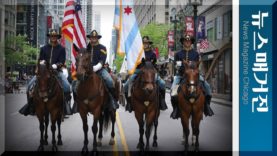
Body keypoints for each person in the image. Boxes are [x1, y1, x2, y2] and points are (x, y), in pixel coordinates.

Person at [19, 29, 72, 116]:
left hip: (56, 72)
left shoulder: (61, 49)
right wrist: (40, 65)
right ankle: (30, 106)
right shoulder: (43, 48)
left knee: (67, 87)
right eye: (52, 36)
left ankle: (64, 107)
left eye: (55, 36)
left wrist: (55, 66)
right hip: (43, 72)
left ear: (57, 37)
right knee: (29, 86)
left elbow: (62, 61)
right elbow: (40, 59)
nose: (53, 38)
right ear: (49, 37)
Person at [170, 34, 214, 119]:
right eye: (185, 41)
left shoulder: (195, 54)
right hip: (181, 75)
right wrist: (181, 66)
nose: (187, 42)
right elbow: (176, 65)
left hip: (194, 76)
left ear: (191, 42)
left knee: (207, 87)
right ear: (183, 42)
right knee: (173, 91)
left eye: (189, 41)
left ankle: (207, 107)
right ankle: (175, 110)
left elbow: (197, 66)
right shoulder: (178, 54)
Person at [124, 36, 167, 112]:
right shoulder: (137, 53)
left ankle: (162, 101)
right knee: (127, 85)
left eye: (146, 43)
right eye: (144, 43)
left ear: (149, 44)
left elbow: (154, 64)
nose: (145, 44)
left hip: (150, 72)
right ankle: (129, 103)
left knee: (162, 83)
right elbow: (133, 62)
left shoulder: (153, 54)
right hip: (138, 71)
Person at [85, 30, 119, 110]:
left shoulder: (102, 48)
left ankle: (112, 100)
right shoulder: (87, 48)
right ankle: (77, 103)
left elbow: (102, 60)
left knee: (110, 81)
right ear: (90, 38)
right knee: (76, 83)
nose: (93, 39)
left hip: (99, 69)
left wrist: (95, 67)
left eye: (95, 37)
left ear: (97, 38)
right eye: (92, 37)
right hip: (88, 71)